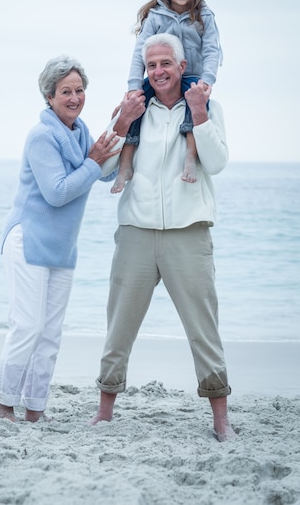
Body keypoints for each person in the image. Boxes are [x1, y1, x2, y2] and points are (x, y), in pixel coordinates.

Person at [91, 34, 236, 442]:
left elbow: (218, 163)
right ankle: (105, 411)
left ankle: (221, 418)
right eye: (151, 65)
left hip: (188, 234)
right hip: (136, 232)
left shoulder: (205, 105)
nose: (158, 72)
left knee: (203, 329)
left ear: (181, 63)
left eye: (165, 64)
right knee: (119, 325)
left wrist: (200, 114)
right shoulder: (134, 108)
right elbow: (102, 169)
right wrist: (120, 122)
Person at [0, 54, 145, 423]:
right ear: (49, 96)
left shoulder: (80, 132)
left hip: (62, 249)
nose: (74, 97)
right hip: (28, 241)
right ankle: (3, 406)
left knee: (50, 334)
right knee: (27, 327)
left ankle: (35, 410)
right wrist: (93, 162)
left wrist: (121, 124)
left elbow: (103, 173)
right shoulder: (42, 135)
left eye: (79, 90)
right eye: (65, 91)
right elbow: (58, 192)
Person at [111, 0, 222, 193]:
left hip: (192, 75)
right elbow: (139, 54)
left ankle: (190, 156)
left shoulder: (204, 16)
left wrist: (207, 81)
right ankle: (125, 163)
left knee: (195, 106)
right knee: (134, 107)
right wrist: (134, 86)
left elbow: (212, 49)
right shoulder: (155, 16)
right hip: (159, 76)